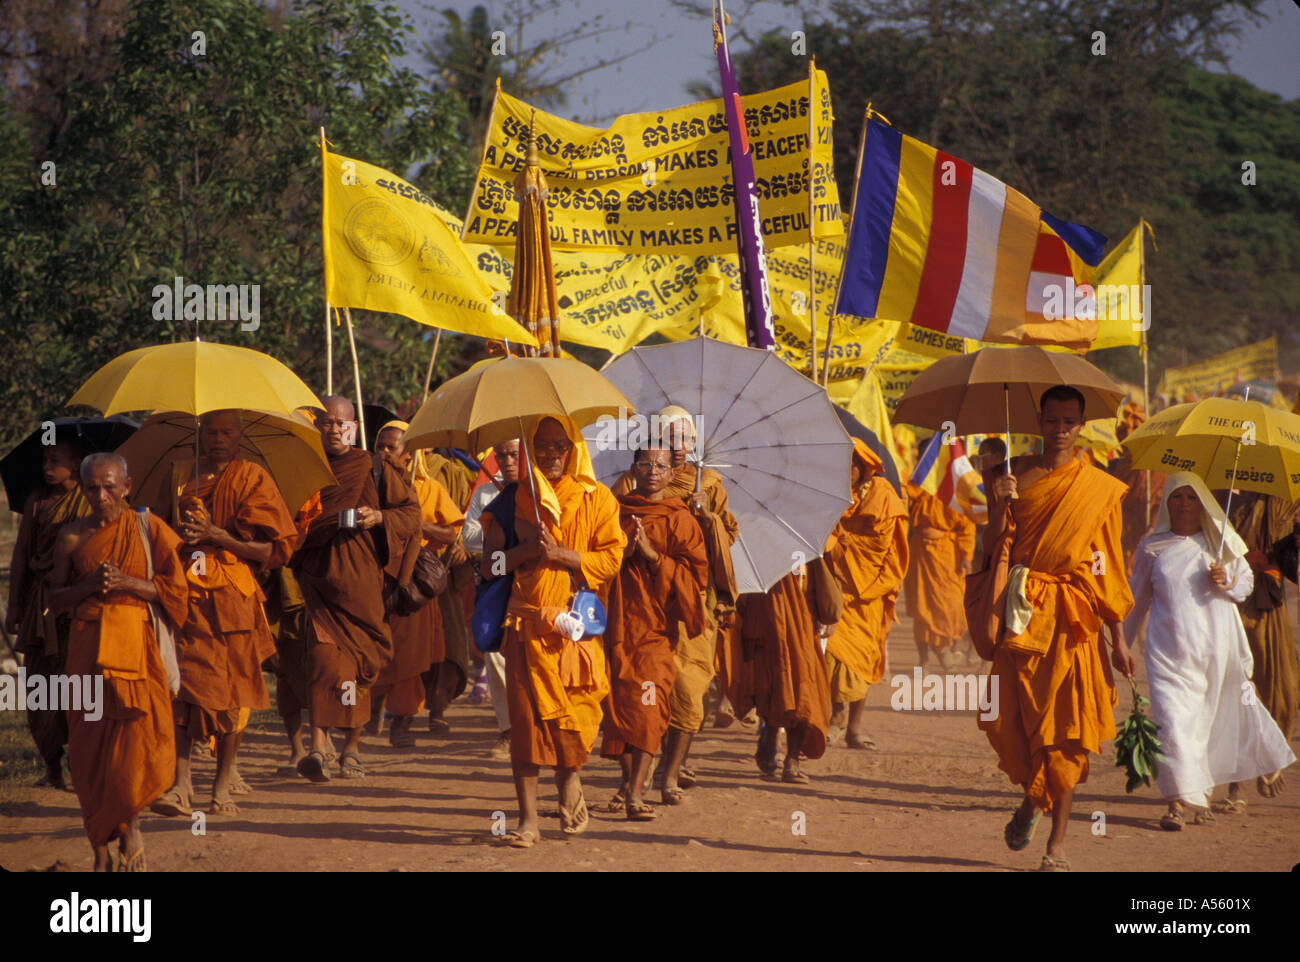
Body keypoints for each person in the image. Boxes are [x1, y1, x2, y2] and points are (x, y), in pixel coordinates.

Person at [976, 385, 1136, 872]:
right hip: (1023, 618)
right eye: (1052, 420)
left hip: (1073, 623)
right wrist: (999, 503)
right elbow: (992, 550)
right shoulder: (1015, 475)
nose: (1060, 430)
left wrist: (1119, 639)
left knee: (1068, 734)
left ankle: (1057, 846)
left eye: (1069, 421)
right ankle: (1031, 800)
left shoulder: (1099, 487)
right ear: (1038, 421)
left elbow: (1106, 566)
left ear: (1081, 425)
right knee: (1020, 730)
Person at [479, 415, 625, 846]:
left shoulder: (596, 498)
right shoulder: (510, 501)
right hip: (526, 627)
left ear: (574, 447)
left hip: (572, 629)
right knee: (525, 726)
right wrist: (524, 550)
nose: (550, 454)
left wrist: (562, 555)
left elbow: (611, 560)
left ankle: (569, 780)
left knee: (575, 719)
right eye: (540, 446)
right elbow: (490, 566)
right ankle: (527, 821)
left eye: (559, 446)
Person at [145, 410, 299, 817]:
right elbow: (156, 531)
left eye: (226, 433)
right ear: (200, 435)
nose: (217, 439)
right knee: (182, 690)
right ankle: (180, 785)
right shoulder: (178, 473)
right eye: (210, 432)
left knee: (233, 693)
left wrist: (218, 536)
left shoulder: (253, 478)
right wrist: (181, 538)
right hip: (185, 595)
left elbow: (273, 551)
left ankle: (221, 783)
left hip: (232, 597)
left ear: (240, 436)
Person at [1125, 472, 1295, 829]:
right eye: (1177, 496)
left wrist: (1227, 581)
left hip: (1216, 650)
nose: (1184, 503)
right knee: (1172, 725)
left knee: (1203, 724)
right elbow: (1135, 600)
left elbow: (1246, 585)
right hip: (1168, 654)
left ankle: (1200, 796)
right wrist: (1120, 645)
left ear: (1202, 502)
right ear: (1167, 503)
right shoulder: (1151, 547)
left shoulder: (1221, 543)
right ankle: (1176, 804)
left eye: (1191, 496)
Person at [48, 453, 188, 871]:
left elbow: (176, 592)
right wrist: (89, 585)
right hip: (88, 650)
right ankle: (99, 847)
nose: (101, 496)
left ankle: (133, 826)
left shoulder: (149, 529)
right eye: (92, 488)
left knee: (133, 745)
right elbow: (54, 600)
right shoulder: (71, 537)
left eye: (110, 487)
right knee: (89, 750)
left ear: (127, 487)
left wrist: (130, 583)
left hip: (136, 648)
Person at [612, 405, 740, 800]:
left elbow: (728, 537)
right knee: (637, 689)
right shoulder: (628, 486)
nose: (680, 447)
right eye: (672, 438)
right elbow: (607, 528)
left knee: (687, 687)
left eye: (686, 438)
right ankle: (634, 777)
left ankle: (670, 772)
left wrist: (708, 520)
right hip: (637, 605)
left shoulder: (710, 485)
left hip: (691, 600)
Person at [290, 396, 419, 781]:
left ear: (355, 428)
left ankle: (351, 748)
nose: (334, 429)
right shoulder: (304, 469)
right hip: (318, 580)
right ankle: (317, 745)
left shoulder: (373, 466)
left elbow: (411, 515)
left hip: (362, 583)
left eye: (341, 423)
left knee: (361, 665)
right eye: (326, 423)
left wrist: (378, 516)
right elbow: (290, 518)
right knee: (323, 661)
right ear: (317, 428)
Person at [601, 444, 707, 818]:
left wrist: (652, 556)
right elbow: (594, 561)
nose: (652, 470)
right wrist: (623, 554)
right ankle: (630, 784)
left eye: (660, 465)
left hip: (655, 631)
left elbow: (696, 581)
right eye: (644, 463)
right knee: (618, 710)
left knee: (648, 706)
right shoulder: (615, 511)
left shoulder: (680, 518)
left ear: (670, 473)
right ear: (633, 468)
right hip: (615, 626)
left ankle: (634, 792)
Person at [368, 421, 463, 747]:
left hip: (412, 585)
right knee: (374, 647)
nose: (383, 452)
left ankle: (402, 723)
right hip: (375, 577)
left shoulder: (429, 488)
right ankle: (371, 708)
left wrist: (415, 523)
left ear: (409, 454)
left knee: (410, 658)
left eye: (391, 446)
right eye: (380, 445)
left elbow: (450, 533)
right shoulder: (368, 486)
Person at [5, 438, 89, 789]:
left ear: (76, 461)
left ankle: (84, 765)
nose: (46, 466)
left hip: (77, 603)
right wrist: (14, 605)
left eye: (55, 458)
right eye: (44, 459)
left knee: (80, 686)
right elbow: (22, 555)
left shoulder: (91, 500)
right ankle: (51, 765)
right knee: (41, 686)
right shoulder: (37, 500)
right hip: (40, 605)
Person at [824, 438, 908, 749]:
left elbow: (892, 549)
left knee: (863, 659)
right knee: (831, 654)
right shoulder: (828, 495)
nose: (846, 472)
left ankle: (855, 727)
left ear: (864, 468)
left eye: (852, 465)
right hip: (835, 588)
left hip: (872, 591)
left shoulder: (883, 495)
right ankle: (836, 716)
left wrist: (875, 586)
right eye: (840, 464)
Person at [1224, 490, 1299, 803]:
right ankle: (1235, 785)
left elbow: (1291, 566)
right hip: (1229, 601)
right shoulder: (1220, 498)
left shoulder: (1284, 500)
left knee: (1280, 689)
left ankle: (1269, 754)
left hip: (1268, 603)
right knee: (1234, 689)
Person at [738, 560, 836, 785]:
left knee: (804, 690)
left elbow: (832, 557)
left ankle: (792, 759)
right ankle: (770, 736)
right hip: (767, 618)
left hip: (805, 622)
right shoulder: (759, 532)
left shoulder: (810, 532)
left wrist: (830, 606)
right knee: (772, 689)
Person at [461, 439, 522, 759]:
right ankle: (508, 730)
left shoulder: (539, 491)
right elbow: (467, 536)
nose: (508, 461)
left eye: (514, 455)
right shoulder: (486, 493)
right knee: (497, 656)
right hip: (498, 582)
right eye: (502, 456)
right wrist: (498, 522)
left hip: (534, 584)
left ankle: (538, 727)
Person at [420, 448, 476, 734]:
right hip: (402, 570)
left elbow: (467, 514)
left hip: (442, 569)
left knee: (447, 640)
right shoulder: (393, 471)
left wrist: (462, 546)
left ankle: (438, 706)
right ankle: (395, 708)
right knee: (405, 640)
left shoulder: (452, 472)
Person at [903, 479, 975, 669]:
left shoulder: (956, 493)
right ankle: (924, 660)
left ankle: (944, 649)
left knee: (949, 606)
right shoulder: (920, 485)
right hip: (920, 553)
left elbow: (967, 527)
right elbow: (905, 494)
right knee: (922, 607)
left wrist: (966, 557)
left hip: (947, 555)